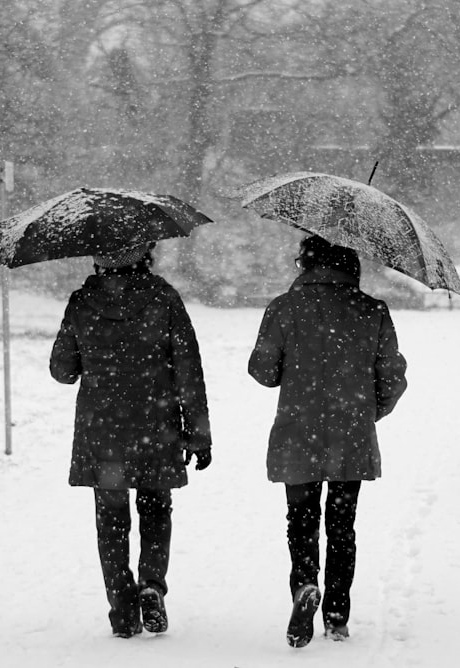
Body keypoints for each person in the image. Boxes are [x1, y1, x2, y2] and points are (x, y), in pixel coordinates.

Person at [247, 235, 408, 648]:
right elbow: (391, 376)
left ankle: (304, 584)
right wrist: (368, 413)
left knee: (300, 519)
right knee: (341, 524)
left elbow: (263, 371)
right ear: (351, 264)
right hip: (349, 435)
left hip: (298, 431)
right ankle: (336, 616)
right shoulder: (372, 311)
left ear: (307, 261)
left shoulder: (284, 307)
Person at [49, 241, 212, 639]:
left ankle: (122, 610)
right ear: (146, 255)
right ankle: (152, 585)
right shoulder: (164, 298)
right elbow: (188, 368)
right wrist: (198, 435)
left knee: (111, 521)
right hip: (156, 427)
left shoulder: (81, 302)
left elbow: (62, 370)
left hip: (103, 432)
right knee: (156, 510)